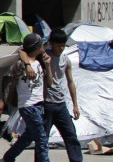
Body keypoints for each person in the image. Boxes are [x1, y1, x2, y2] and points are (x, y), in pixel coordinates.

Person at [0, 33, 53, 162]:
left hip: (39, 105)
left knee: (28, 137)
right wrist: (1, 104)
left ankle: (7, 158)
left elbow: (49, 82)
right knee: (41, 138)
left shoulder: (39, 62)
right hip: (28, 106)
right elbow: (8, 84)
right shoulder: (21, 65)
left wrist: (48, 65)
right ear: (36, 47)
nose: (44, 47)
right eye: (41, 45)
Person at [44, 29, 82, 161]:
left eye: (63, 45)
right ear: (51, 43)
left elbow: (70, 82)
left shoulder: (65, 60)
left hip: (61, 104)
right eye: (57, 45)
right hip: (46, 104)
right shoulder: (44, 57)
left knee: (71, 135)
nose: (60, 48)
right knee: (43, 138)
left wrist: (75, 105)